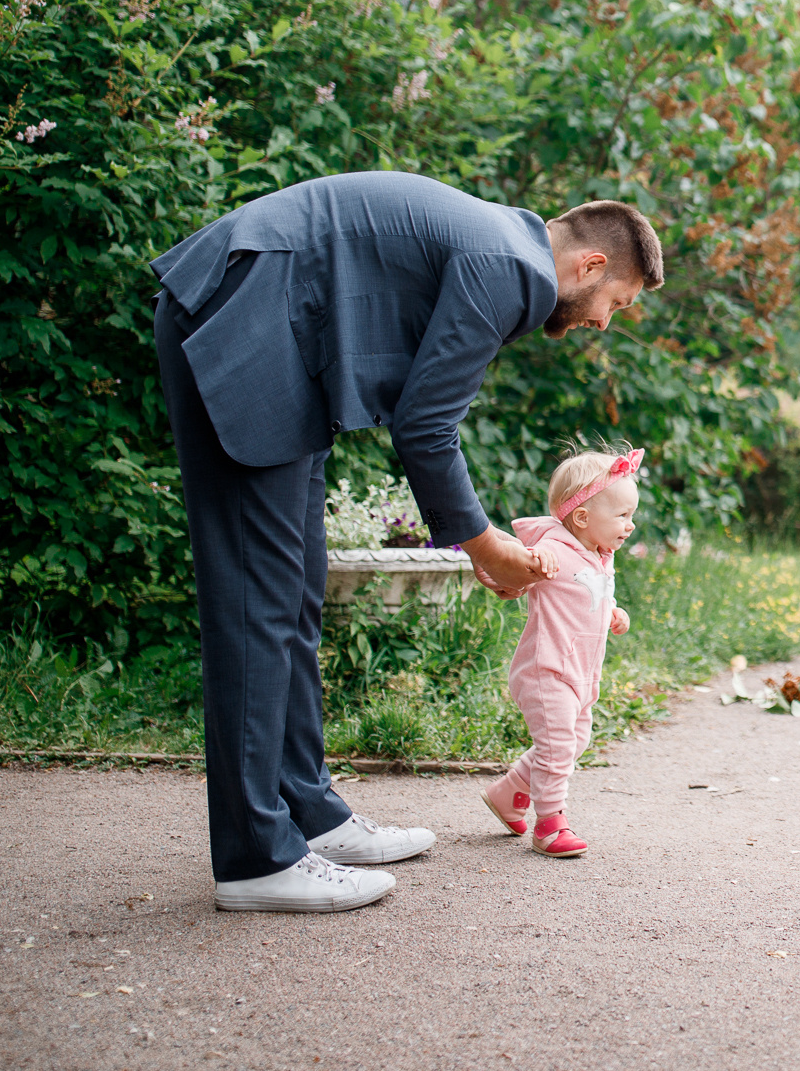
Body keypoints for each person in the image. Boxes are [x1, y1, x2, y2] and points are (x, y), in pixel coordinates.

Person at [151, 171, 664, 911]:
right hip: (247, 321)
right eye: (615, 302)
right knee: (255, 602)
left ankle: (307, 813)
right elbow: (424, 424)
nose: (604, 321)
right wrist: (487, 546)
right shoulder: (511, 267)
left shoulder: (503, 244)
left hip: (277, 335)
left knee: (294, 592)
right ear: (589, 266)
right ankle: (255, 856)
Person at [480, 446, 641, 858]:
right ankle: (550, 824)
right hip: (547, 669)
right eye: (622, 516)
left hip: (583, 674)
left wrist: (613, 612)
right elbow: (500, 571)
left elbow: (586, 598)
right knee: (556, 748)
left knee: (574, 742)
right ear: (583, 517)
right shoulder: (549, 551)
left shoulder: (600, 555)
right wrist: (532, 563)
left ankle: (509, 790)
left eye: (631, 515)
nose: (631, 525)